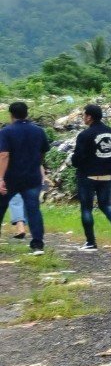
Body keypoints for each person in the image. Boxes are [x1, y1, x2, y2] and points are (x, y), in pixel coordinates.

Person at [70, 103, 111, 251]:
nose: (83, 118)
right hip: (107, 175)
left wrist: (73, 161)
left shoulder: (84, 135)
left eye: (84, 115)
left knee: (86, 208)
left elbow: (78, 157)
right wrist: (109, 163)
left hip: (88, 176)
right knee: (106, 205)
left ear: (89, 117)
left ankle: (90, 242)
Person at [0, 101, 49, 255]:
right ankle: (37, 244)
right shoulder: (39, 131)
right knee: (33, 210)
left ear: (11, 115)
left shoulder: (6, 132)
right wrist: (36, 165)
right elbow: (43, 152)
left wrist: (0, 178)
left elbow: (4, 155)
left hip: (11, 178)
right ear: (27, 113)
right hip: (32, 177)